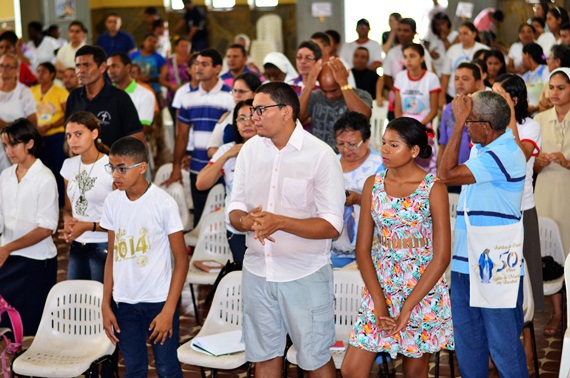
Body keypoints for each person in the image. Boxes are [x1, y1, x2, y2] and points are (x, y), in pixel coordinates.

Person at [228, 81, 345, 377]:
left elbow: (332, 225)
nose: (253, 116)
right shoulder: (250, 151)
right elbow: (235, 208)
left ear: (286, 112)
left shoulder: (320, 155)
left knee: (314, 359)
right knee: (264, 356)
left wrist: (280, 222)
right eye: (253, 109)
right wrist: (246, 221)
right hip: (256, 270)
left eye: (260, 109)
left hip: (304, 273)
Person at [341, 117, 453, 378]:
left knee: (415, 372)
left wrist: (408, 308)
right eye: (384, 143)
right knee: (351, 370)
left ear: (414, 151)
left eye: (394, 145)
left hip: (422, 289)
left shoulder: (433, 188)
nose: (385, 150)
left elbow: (442, 256)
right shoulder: (374, 184)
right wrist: (379, 303)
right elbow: (363, 251)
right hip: (381, 285)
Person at [439, 91, 527, 377]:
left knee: (504, 350)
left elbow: (446, 174)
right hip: (466, 262)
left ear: (486, 126)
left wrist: (457, 120)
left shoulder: (504, 154)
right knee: (469, 348)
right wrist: (466, 116)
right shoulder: (483, 147)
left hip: (496, 265)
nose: (466, 127)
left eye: (469, 122)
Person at [100, 136, 188, 378]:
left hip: (158, 302)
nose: (115, 175)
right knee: (134, 369)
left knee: (167, 368)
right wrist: (105, 304)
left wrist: (169, 310)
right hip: (124, 302)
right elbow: (112, 257)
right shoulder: (112, 201)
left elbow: (181, 260)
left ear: (141, 168)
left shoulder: (163, 203)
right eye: (112, 167)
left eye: (121, 168)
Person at [492, 73, 543, 374]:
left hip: (522, 211)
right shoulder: (489, 127)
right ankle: (501, 351)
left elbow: (517, 157)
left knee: (524, 292)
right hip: (497, 214)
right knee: (501, 285)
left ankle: (527, 355)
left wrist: (508, 114)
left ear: (514, 99)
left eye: (500, 95)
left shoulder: (530, 126)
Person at [162, 48, 234, 227]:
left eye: (204, 64)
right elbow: (182, 136)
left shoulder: (231, 96)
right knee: (201, 217)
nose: (198, 68)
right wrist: (176, 166)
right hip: (197, 167)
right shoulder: (188, 98)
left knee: (225, 216)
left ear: (217, 68)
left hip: (223, 166)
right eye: (196, 64)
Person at [0, 118, 58, 336]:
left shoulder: (44, 178)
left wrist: (8, 248)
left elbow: (46, 228)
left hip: (35, 262)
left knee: (32, 328)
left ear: (30, 144)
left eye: (14, 144)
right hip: (9, 256)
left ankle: (33, 367)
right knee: (8, 324)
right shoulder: (6, 175)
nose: (9, 151)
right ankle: (12, 367)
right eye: (5, 145)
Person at [533, 67, 570, 338]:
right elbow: (527, 159)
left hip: (567, 191)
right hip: (545, 189)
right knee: (550, 255)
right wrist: (537, 162)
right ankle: (557, 314)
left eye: (561, 87)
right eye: (552, 87)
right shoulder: (539, 118)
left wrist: (567, 162)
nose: (554, 93)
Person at [196, 100, 255, 263]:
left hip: (264, 229)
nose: (247, 123)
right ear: (235, 124)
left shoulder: (272, 149)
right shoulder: (227, 149)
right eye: (241, 119)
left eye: (251, 117)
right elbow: (201, 184)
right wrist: (227, 155)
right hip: (236, 229)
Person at [58, 111, 113, 282]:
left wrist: (88, 226)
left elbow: (121, 218)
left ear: (94, 133)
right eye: (68, 135)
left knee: (100, 302)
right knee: (77, 302)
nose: (72, 140)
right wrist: (68, 221)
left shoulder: (110, 168)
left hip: (104, 244)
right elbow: (68, 209)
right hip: (78, 244)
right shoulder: (69, 165)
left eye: (78, 134)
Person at [330, 111, 384, 268]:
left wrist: (360, 199)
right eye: (340, 144)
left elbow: (389, 204)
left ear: (366, 141)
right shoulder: (331, 162)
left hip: (371, 252)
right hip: (333, 250)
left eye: (352, 144)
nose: (346, 149)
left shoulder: (380, 165)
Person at [65, 45, 145, 148]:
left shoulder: (120, 98)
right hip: (82, 162)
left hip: (114, 161)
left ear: (102, 67)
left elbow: (137, 137)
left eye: (87, 65)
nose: (81, 70)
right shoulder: (74, 97)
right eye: (78, 66)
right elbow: (67, 135)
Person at [299, 59, 372, 149]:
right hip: (320, 156)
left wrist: (343, 83)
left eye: (334, 90)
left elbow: (363, 117)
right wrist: (309, 86)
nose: (329, 96)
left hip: (349, 155)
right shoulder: (315, 96)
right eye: (324, 91)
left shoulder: (361, 95)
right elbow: (296, 119)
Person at [394, 43, 440, 175]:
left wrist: (418, 127)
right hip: (404, 123)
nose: (408, 60)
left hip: (424, 125)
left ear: (422, 58)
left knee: (425, 162)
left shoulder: (431, 78)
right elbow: (398, 108)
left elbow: (434, 110)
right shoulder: (400, 77)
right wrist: (401, 126)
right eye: (405, 56)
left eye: (412, 56)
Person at [31, 62, 68, 206]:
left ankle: (61, 204)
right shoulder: (31, 91)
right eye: (38, 71)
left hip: (55, 136)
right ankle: (44, 203)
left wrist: (50, 125)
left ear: (52, 74)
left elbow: (67, 114)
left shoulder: (60, 91)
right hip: (37, 137)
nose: (39, 74)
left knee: (59, 170)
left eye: (43, 72)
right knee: (41, 171)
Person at [437, 63, 482, 175]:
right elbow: (443, 145)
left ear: (477, 83)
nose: (460, 82)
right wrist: (439, 173)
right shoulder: (448, 109)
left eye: (465, 79)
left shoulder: (483, 109)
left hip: (473, 174)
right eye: (456, 78)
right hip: (451, 172)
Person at [383, 18, 432, 121]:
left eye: (406, 31)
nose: (401, 34)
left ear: (414, 33)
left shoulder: (423, 53)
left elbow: (428, 77)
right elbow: (386, 76)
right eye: (399, 30)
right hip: (396, 103)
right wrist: (400, 93)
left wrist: (412, 92)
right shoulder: (392, 52)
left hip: (420, 105)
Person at [207, 72, 261, 157]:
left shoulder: (264, 115)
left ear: (255, 93)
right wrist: (230, 155)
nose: (237, 95)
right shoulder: (226, 116)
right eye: (235, 91)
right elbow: (211, 149)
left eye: (241, 91)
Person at [0, 54, 37, 173]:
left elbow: (32, 122)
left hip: (16, 147)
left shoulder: (24, 92)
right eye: (1, 65)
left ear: (17, 69)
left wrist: (5, 127)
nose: (3, 69)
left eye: (8, 66)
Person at [439, 22, 489, 106]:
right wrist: (442, 95)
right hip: (453, 94)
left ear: (474, 34)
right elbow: (445, 74)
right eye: (460, 33)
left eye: (465, 33)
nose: (461, 36)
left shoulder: (483, 49)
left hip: (477, 95)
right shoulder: (453, 50)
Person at [107, 53, 156, 133]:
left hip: (131, 144)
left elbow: (142, 129)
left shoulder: (145, 95)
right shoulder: (104, 93)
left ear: (128, 68)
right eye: (108, 68)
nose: (110, 71)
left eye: (114, 66)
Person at [159, 36, 191, 113]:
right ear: (176, 47)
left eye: (187, 46)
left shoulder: (194, 61)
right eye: (182, 46)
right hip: (172, 95)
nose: (184, 49)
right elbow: (161, 79)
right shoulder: (170, 62)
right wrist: (171, 85)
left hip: (189, 95)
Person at [424, 12, 458, 78]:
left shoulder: (455, 36)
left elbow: (453, 53)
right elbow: (427, 53)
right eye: (437, 25)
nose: (440, 27)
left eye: (442, 23)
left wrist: (444, 39)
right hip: (433, 69)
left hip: (447, 71)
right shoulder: (432, 37)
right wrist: (432, 54)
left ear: (447, 23)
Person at [538, 44, 570, 112]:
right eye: (551, 88)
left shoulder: (549, 83)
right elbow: (541, 105)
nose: (547, 61)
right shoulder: (548, 82)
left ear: (557, 61)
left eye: (549, 58)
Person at [521, 42, 549, 115]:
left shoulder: (544, 70)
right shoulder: (526, 76)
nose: (522, 60)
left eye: (522, 56)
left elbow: (548, 93)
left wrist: (535, 108)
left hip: (542, 113)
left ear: (527, 55)